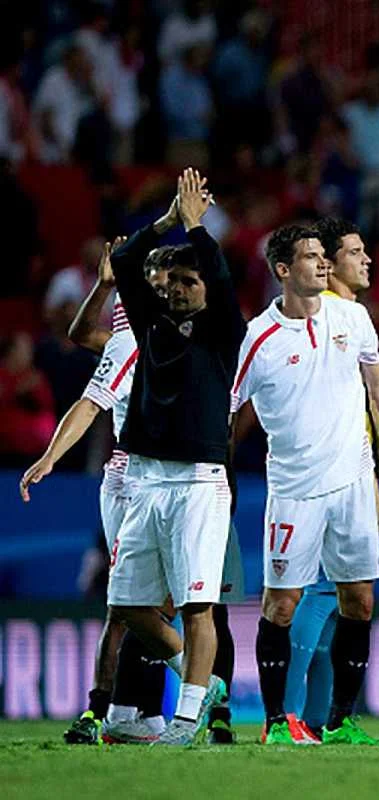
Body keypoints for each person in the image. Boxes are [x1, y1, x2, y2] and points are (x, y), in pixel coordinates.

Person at [234, 223, 379, 745]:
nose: (322, 264)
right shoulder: (258, 338)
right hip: (294, 492)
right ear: (282, 270)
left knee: (359, 601)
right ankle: (275, 723)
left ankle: (340, 720)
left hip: (354, 486)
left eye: (323, 255)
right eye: (310, 257)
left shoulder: (352, 316)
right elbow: (226, 409)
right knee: (282, 604)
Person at [104, 168, 243, 746]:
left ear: (205, 286)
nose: (177, 288)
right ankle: (200, 677)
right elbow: (127, 264)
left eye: (189, 279)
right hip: (142, 480)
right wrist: (165, 222)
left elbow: (221, 276)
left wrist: (198, 230)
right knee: (130, 606)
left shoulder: (222, 332)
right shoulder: (150, 324)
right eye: (173, 281)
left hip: (197, 484)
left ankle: (185, 718)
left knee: (197, 604)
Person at [21, 239, 162, 744]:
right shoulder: (131, 342)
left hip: (170, 477)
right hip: (134, 479)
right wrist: (51, 457)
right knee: (126, 602)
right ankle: (103, 711)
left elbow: (83, 334)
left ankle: (137, 711)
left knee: (158, 602)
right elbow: (88, 399)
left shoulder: (171, 338)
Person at [273, 216, 379, 744]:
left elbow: (364, 414)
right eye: (353, 251)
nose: (362, 260)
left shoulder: (353, 321)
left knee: (343, 602)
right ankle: (290, 715)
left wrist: (369, 483)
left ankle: (325, 718)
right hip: (312, 483)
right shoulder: (310, 320)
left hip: (351, 477)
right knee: (311, 598)